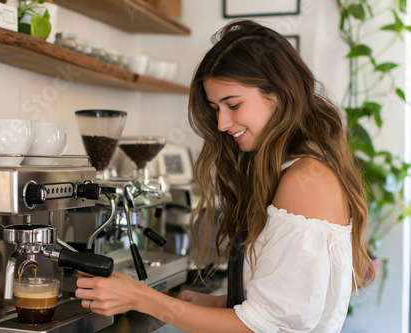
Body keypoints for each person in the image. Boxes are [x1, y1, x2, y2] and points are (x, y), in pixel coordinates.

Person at [75, 19, 375, 332]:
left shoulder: (306, 180)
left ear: (279, 94)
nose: (221, 123)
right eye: (216, 107)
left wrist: (142, 298)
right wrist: (216, 303)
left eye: (233, 104)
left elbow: (265, 327)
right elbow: (289, 304)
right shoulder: (292, 170)